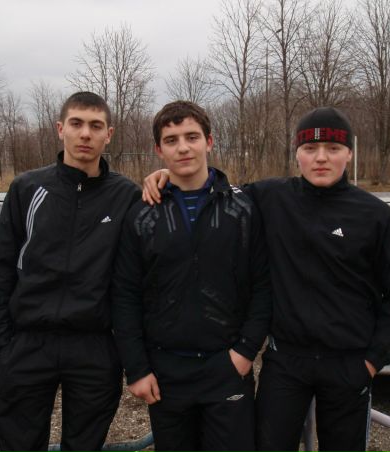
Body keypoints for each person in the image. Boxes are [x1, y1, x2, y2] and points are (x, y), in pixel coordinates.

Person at [143, 106, 390, 452]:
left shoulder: (375, 215)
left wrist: (373, 361)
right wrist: (166, 175)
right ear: (297, 153)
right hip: (285, 363)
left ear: (349, 153)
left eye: (333, 148)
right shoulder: (271, 196)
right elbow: (212, 190)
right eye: (310, 149)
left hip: (349, 363)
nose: (321, 158)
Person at [0, 91, 141, 452]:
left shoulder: (125, 195)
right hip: (28, 343)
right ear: (60, 129)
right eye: (76, 123)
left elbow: (137, 272)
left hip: (94, 346)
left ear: (108, 134)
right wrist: (3, 339)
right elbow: (0, 265)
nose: (85, 133)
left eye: (95, 126)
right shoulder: (28, 188)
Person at [111, 100, 271, 452]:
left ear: (209, 141)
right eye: (171, 140)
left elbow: (262, 285)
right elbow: (124, 295)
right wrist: (136, 368)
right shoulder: (141, 214)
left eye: (192, 137)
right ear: (159, 150)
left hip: (226, 366)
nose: (183, 147)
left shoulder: (243, 209)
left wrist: (245, 352)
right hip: (166, 370)